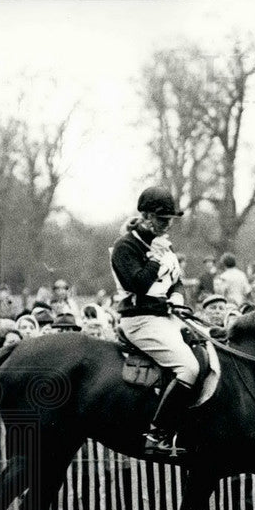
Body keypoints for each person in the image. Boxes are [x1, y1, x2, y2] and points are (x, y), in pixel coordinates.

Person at [110, 185, 197, 456]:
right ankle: (156, 434)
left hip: (166, 316)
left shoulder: (164, 244)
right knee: (189, 369)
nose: (167, 225)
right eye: (162, 219)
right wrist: (156, 258)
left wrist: (179, 300)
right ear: (146, 217)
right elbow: (137, 283)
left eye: (170, 220)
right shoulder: (126, 246)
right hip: (140, 320)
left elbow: (177, 281)